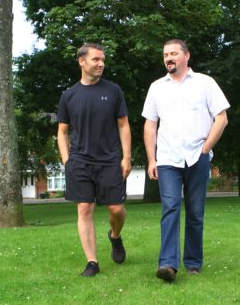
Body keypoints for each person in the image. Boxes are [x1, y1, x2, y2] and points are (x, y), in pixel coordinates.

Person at [142, 39, 229, 282]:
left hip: (197, 157)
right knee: (170, 207)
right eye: (165, 54)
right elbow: (150, 125)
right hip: (168, 159)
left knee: (195, 212)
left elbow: (221, 118)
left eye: (173, 54)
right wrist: (151, 160)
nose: (168, 58)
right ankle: (168, 264)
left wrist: (206, 148)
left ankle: (193, 262)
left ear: (186, 56)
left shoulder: (205, 83)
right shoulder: (157, 87)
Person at [57, 43, 132, 277]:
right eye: (95, 60)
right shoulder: (69, 96)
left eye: (103, 60)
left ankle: (115, 236)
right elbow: (62, 131)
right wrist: (67, 161)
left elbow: (123, 125)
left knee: (116, 209)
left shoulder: (113, 91)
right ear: (81, 61)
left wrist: (126, 157)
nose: (100, 64)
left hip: (109, 160)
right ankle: (92, 262)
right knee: (85, 208)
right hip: (80, 160)